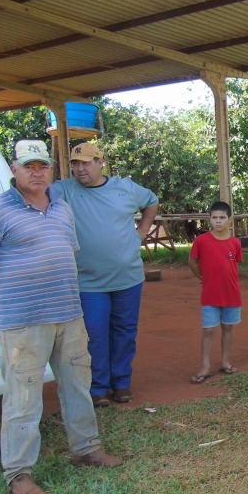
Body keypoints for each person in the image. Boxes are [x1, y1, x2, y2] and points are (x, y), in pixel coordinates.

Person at [0, 140, 123, 494]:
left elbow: (65, 255)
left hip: (68, 315)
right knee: (23, 399)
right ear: (14, 169)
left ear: (50, 169)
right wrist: (8, 299)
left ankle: (86, 449)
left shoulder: (61, 209)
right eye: (29, 166)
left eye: (43, 166)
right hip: (23, 323)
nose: (37, 172)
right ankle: (18, 475)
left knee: (77, 385)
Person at [50, 143, 159, 407]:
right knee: (95, 335)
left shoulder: (126, 187)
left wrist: (142, 231)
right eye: (75, 164)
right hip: (88, 281)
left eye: (85, 163)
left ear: (100, 162)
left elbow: (152, 201)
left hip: (128, 278)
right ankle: (98, 387)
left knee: (124, 331)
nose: (79, 169)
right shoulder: (64, 190)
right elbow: (28, 190)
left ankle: (121, 383)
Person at [188, 201, 243, 383]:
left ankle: (225, 362)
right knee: (209, 330)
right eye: (214, 218)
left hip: (231, 294)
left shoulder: (235, 242)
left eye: (222, 218)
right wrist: (202, 278)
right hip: (210, 294)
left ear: (229, 220)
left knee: (228, 327)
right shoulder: (201, 240)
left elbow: (236, 264)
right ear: (209, 219)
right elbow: (192, 262)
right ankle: (205, 367)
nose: (218, 221)